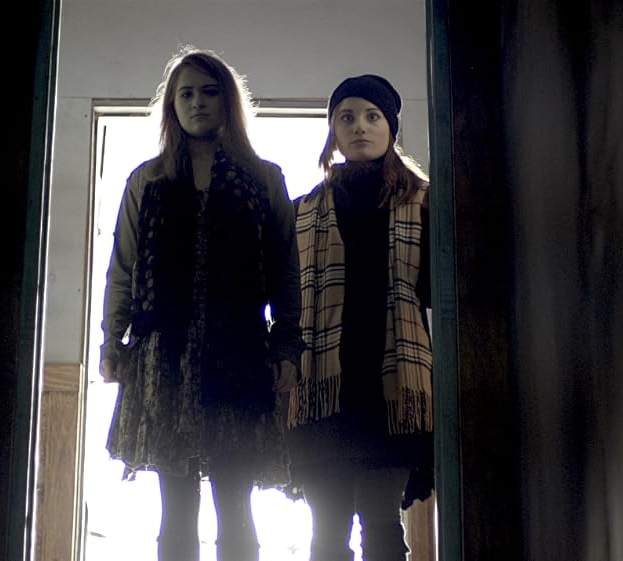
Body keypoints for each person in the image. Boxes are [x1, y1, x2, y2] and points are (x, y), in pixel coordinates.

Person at [99, 46, 303, 561]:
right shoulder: (147, 180)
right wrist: (111, 340)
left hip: (237, 358)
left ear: (228, 100)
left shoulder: (264, 178)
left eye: (209, 92)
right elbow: (123, 267)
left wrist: (286, 349)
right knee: (175, 512)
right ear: (171, 104)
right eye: (185, 93)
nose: (197, 102)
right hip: (162, 362)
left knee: (236, 507)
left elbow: (285, 273)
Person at [286, 74, 434, 561]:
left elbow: (439, 292)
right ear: (333, 130)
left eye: (372, 116)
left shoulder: (424, 203)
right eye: (346, 117)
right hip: (324, 388)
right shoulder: (302, 212)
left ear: (390, 127)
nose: (359, 127)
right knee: (326, 533)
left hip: (391, 388)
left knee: (381, 522)